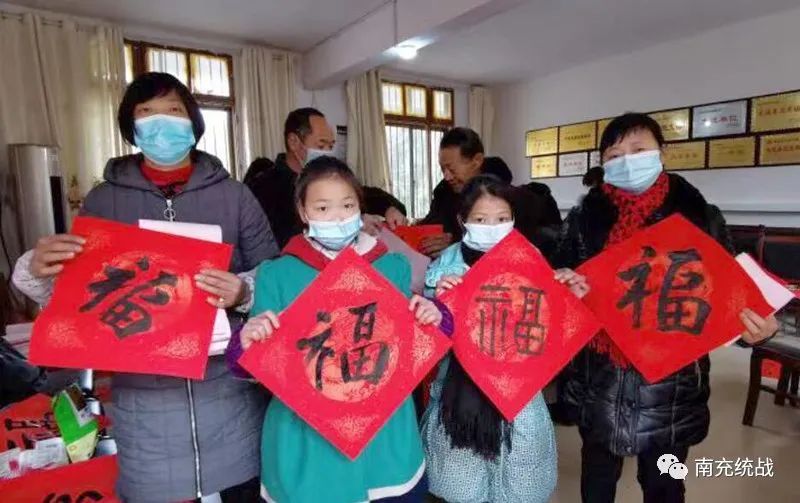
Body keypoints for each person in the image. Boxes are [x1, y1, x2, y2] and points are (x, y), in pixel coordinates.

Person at [11, 72, 277, 502]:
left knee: (240, 491)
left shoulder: (235, 196)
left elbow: (275, 275)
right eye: (147, 113)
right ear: (130, 127)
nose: (162, 123)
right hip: (145, 409)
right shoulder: (104, 201)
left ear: (193, 120)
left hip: (229, 397)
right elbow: (81, 300)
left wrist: (243, 291)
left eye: (173, 110)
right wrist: (39, 271)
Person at [554, 112, 779, 503]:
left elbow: (728, 292)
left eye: (638, 149)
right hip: (600, 378)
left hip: (671, 387)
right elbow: (560, 283)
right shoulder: (582, 220)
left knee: (665, 484)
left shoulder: (699, 217)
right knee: (597, 481)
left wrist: (754, 327)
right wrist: (564, 283)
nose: (627, 161)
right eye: (614, 155)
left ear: (663, 152)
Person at [230, 156, 449, 503]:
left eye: (347, 206)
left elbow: (422, 336)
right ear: (302, 212)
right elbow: (253, 364)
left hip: (386, 440)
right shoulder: (278, 274)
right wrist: (245, 342)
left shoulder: (391, 267)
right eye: (323, 207)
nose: (337, 217)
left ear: (360, 208)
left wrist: (435, 314)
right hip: (309, 444)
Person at [419, 174, 585, 503]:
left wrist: (569, 295)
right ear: (462, 220)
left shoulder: (530, 258)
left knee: (519, 484)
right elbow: (429, 341)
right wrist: (439, 305)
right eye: (481, 220)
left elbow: (548, 328)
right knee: (462, 488)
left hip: (519, 397)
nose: (492, 227)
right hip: (460, 401)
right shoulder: (444, 267)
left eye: (501, 218)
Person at [245, 107, 408, 249]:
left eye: (331, 146)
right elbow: (279, 240)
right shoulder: (264, 188)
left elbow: (367, 195)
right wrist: (351, 226)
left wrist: (389, 208)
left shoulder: (331, 178)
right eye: (321, 145)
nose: (328, 152)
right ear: (294, 142)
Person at [418, 128, 561, 258]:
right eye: (443, 169)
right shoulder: (443, 195)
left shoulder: (514, 200)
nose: (447, 176)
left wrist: (455, 247)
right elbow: (429, 226)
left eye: (451, 169)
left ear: (477, 161)